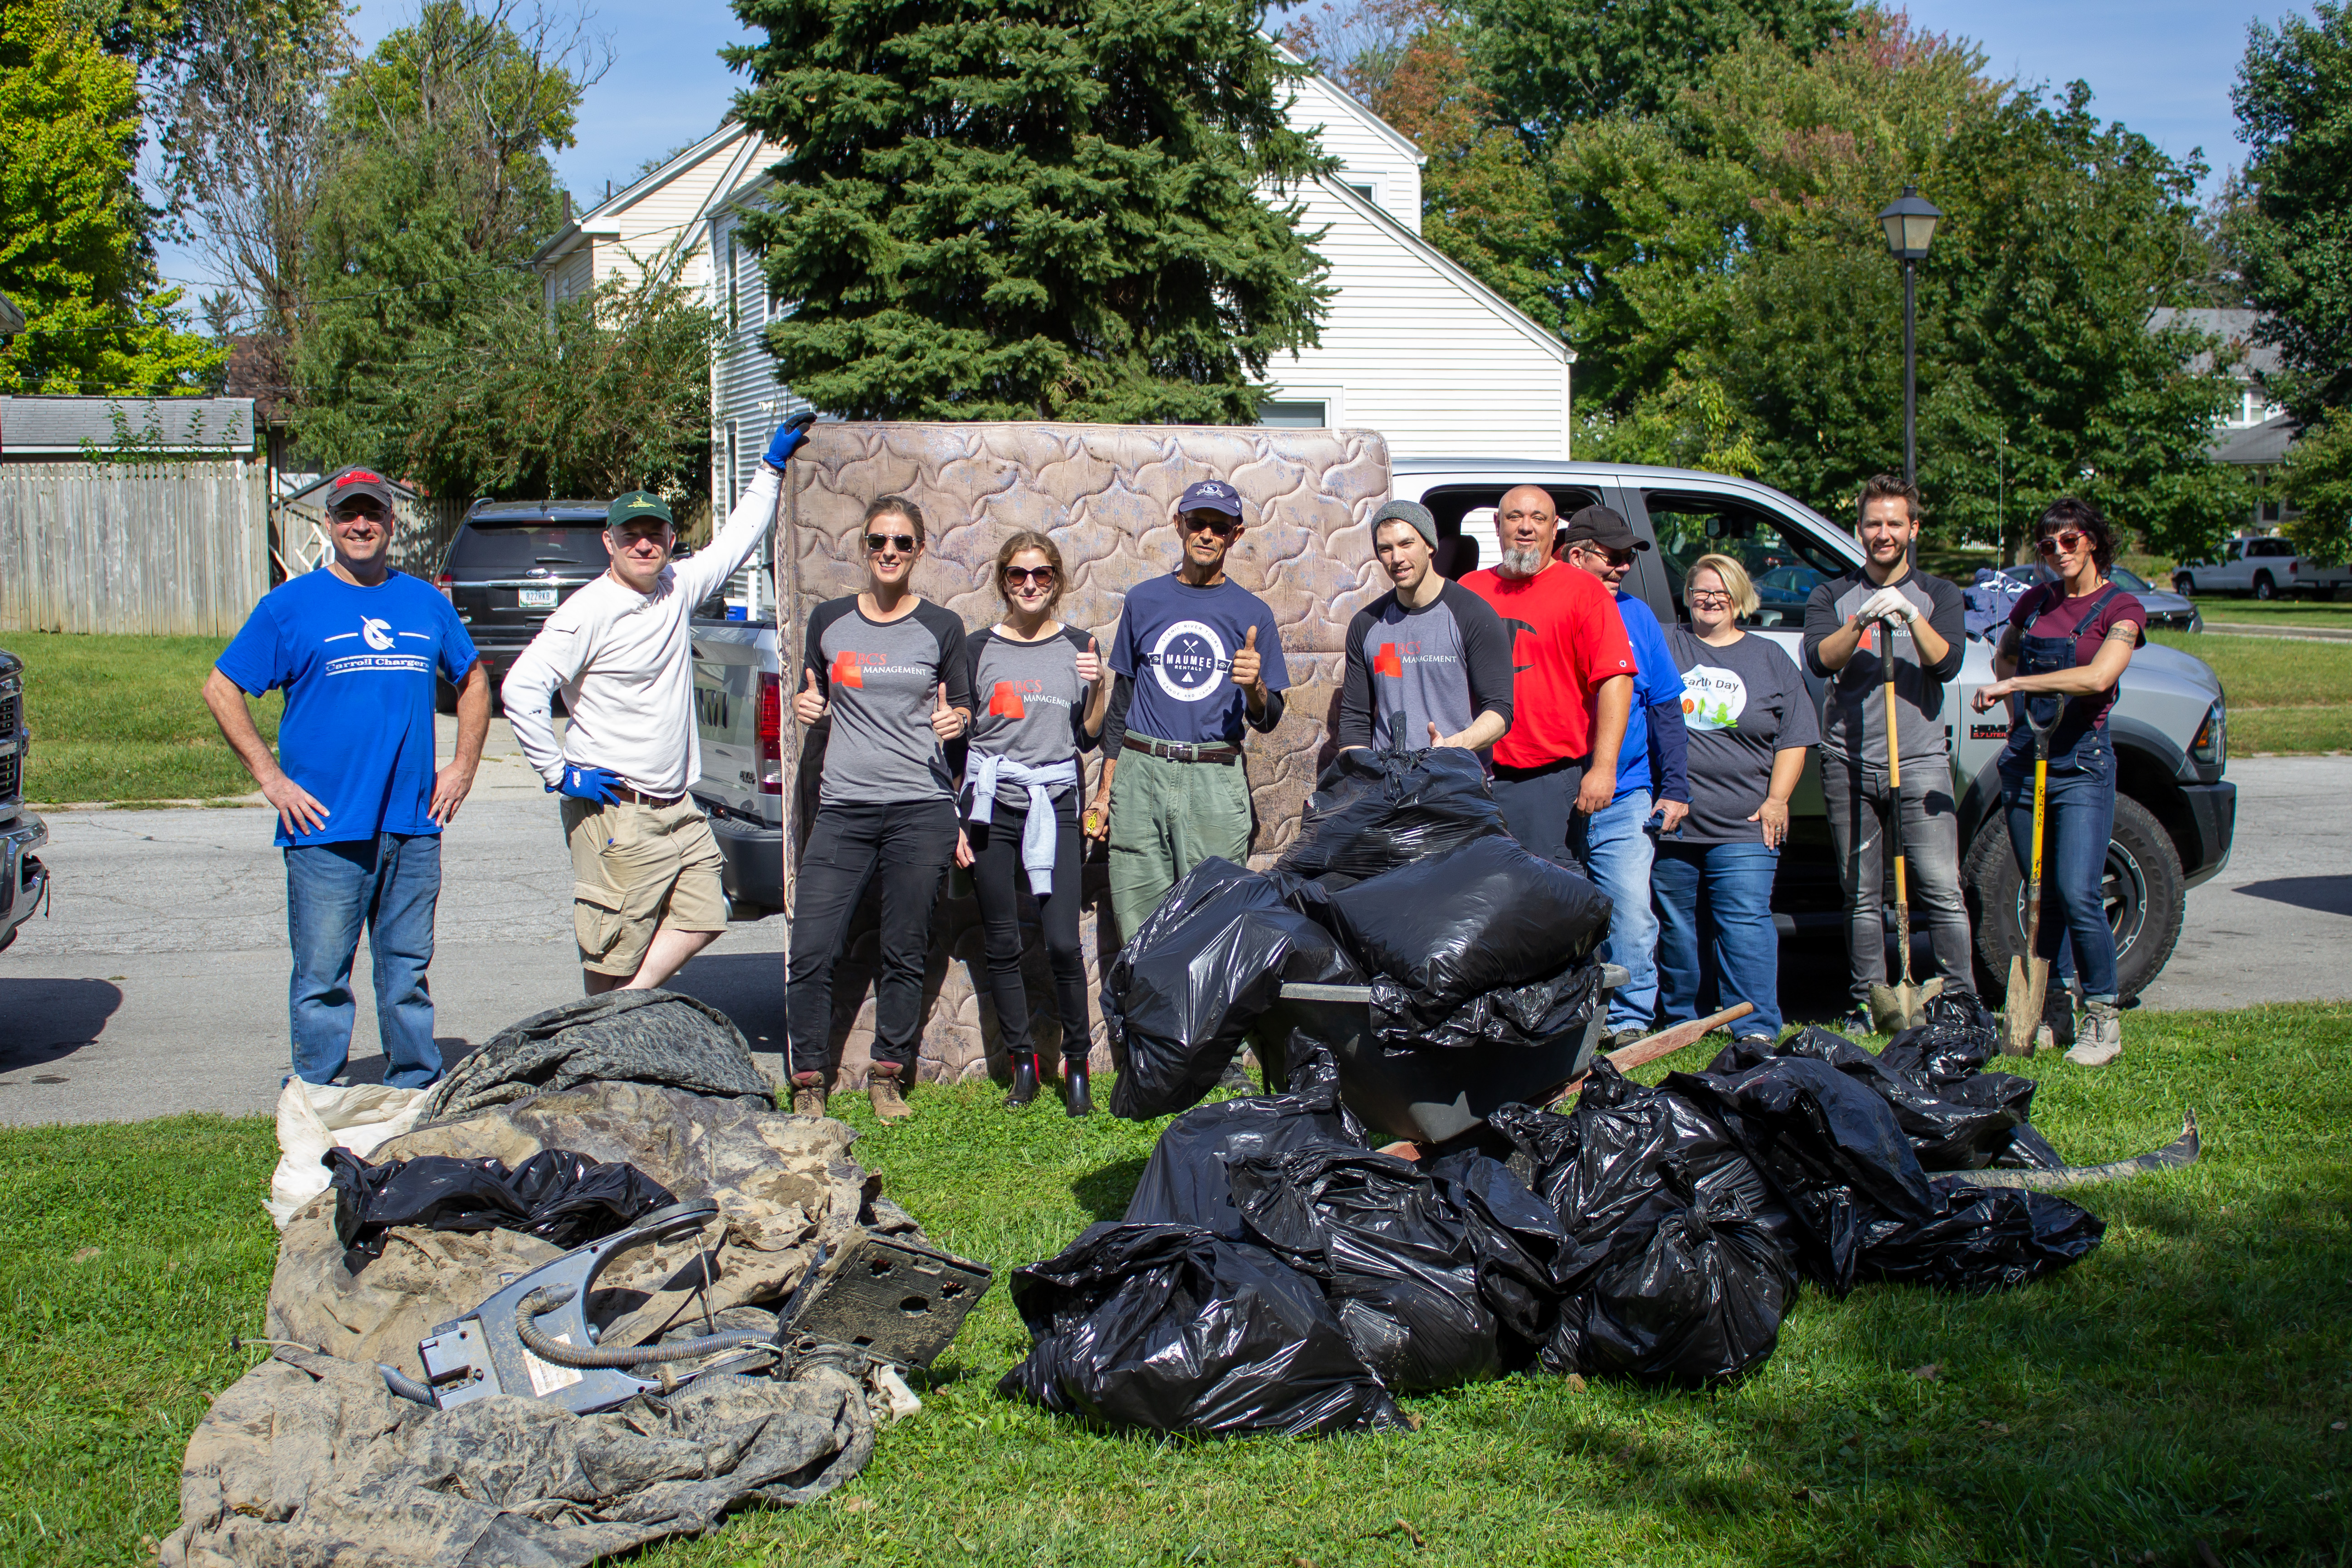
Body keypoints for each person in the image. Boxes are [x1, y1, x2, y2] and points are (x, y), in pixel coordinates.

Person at [505, 414, 817, 999]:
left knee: (706, 913)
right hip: (617, 812)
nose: (644, 544)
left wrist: (769, 470)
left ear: (671, 539)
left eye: (655, 533)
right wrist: (558, 772)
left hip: (677, 807)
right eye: (631, 535)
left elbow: (735, 544)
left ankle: (621, 1010)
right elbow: (521, 688)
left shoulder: (676, 588)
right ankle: (600, 1048)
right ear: (611, 542)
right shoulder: (587, 611)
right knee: (611, 947)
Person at [204, 467, 490, 1089]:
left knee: (406, 970)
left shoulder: (425, 603)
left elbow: (472, 682)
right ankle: (315, 1092)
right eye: (346, 515)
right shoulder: (289, 607)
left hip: (413, 822)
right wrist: (273, 780)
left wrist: (463, 768)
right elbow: (221, 688)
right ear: (328, 524)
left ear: (392, 522)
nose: (360, 525)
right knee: (322, 976)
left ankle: (413, 1086)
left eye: (373, 514)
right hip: (325, 827)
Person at [785, 495, 974, 1122]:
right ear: (862, 547)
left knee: (905, 947)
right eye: (877, 542)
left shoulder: (943, 627)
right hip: (844, 808)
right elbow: (812, 692)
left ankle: (887, 1075)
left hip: (920, 809)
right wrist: (805, 709)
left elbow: (965, 705)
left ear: (919, 550)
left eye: (901, 543)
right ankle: (809, 1081)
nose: (888, 552)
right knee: (812, 947)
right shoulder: (830, 620)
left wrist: (958, 719)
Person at [1972, 497, 2144, 1066]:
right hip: (2027, 759)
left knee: (2078, 892)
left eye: (2070, 541)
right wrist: (2012, 691)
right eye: (2048, 545)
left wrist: (2020, 684)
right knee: (2039, 891)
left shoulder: (2121, 608)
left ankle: (2103, 1019)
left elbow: (2099, 676)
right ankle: (2049, 1011)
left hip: (2081, 766)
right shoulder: (2036, 601)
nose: (2059, 553)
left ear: (2092, 540)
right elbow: (2005, 656)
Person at [1801, 473, 1973, 1027]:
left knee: (1941, 886)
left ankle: (1960, 1002)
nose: (1883, 533)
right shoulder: (1832, 595)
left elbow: (1946, 664)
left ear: (1913, 528)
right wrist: (1863, 620)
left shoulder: (1940, 595)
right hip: (1849, 760)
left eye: (1894, 523)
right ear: (1860, 529)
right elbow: (1821, 660)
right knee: (1861, 894)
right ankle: (1869, 1002)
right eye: (1873, 523)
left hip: (1919, 760)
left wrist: (1912, 615)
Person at [1084, 479, 1290, 941]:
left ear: (1236, 536)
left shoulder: (1253, 612)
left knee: (1211, 928)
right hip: (1141, 775)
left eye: (1220, 527)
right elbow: (1122, 701)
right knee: (1138, 928)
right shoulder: (1143, 600)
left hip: (1213, 779)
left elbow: (1270, 716)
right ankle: (1145, 1014)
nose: (1207, 535)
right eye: (1198, 523)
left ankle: (1204, 1018)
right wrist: (1105, 792)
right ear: (1179, 525)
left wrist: (1255, 686)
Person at [956, 531, 1110, 1116]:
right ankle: (1023, 1062)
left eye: (1042, 575)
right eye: (1018, 575)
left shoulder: (1079, 645)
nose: (1029, 585)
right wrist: (954, 815)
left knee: (1064, 944)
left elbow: (1090, 733)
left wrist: (1099, 687)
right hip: (993, 801)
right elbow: (958, 737)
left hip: (1056, 798)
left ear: (1057, 581)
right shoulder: (975, 650)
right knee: (1001, 940)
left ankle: (1078, 1065)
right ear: (1003, 581)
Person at [1656, 555, 1818, 1044]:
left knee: (1744, 922)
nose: (1710, 601)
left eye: (1722, 593)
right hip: (1674, 820)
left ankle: (1755, 1028)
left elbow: (1795, 736)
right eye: (1702, 592)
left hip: (1745, 821)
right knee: (1678, 927)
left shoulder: (1769, 658)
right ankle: (1684, 1023)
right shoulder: (1668, 644)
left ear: (1741, 599)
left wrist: (1778, 800)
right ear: (1688, 595)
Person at [1554, 505, 1690, 1047]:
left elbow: (1665, 707)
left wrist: (1675, 787)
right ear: (1576, 555)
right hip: (1552, 788)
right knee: (1554, 910)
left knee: (1632, 909)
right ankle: (1562, 1016)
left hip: (1627, 790)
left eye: (1627, 560)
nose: (1621, 570)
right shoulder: (1548, 606)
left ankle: (1631, 1020)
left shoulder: (1638, 616)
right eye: (1612, 558)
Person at [1459, 485, 1636, 866]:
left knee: (1548, 902)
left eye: (1538, 518)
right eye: (1514, 518)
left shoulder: (1586, 592)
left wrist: (1604, 769)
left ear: (1555, 529)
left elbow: (1616, 682)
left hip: (1547, 781)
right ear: (1497, 525)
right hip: (1471, 776)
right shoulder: (1468, 590)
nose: (1526, 528)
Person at [1333, 499, 1513, 755]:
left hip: (1457, 782)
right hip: (1390, 786)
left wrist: (1451, 747)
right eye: (1386, 549)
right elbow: (1355, 720)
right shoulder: (1366, 623)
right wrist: (1357, 777)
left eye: (1406, 544)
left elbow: (1500, 710)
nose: (1397, 558)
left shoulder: (1473, 614)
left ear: (1430, 545)